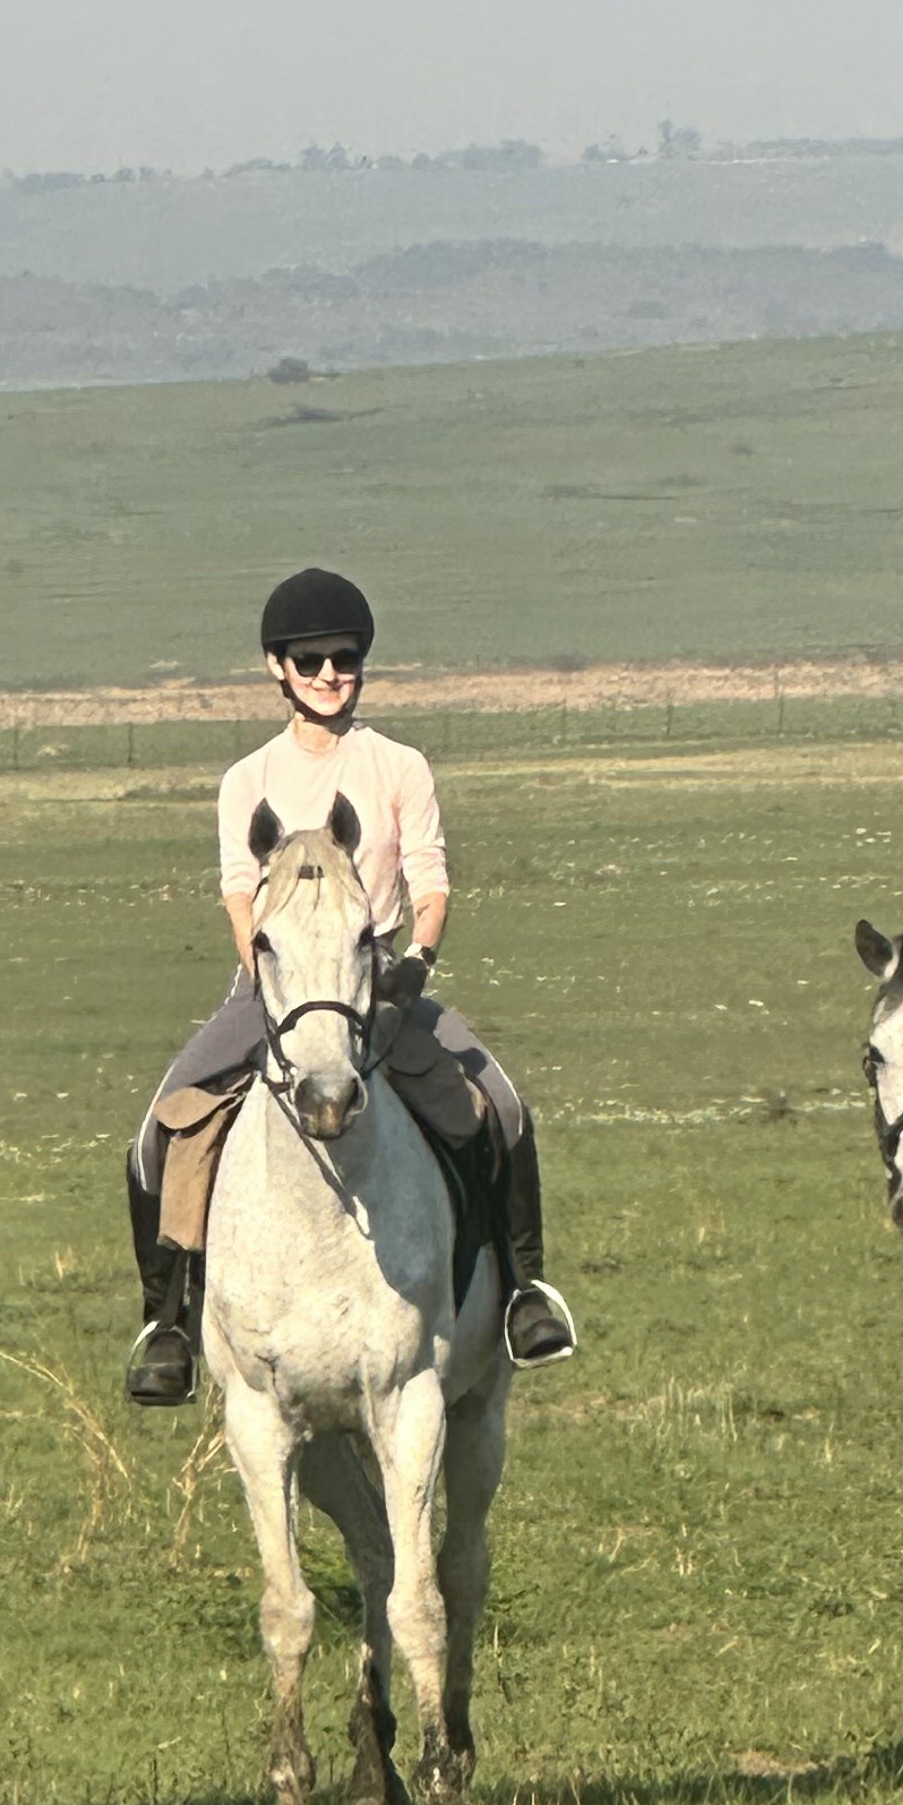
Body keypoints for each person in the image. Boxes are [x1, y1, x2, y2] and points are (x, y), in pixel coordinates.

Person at [122, 567, 575, 1405]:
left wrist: (416, 966)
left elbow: (430, 882)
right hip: (276, 989)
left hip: (382, 983)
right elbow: (237, 892)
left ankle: (522, 1292)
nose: (330, 674)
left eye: (345, 659)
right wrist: (269, 983)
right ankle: (170, 1324)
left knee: (502, 1108)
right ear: (276, 668)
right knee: (159, 1128)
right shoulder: (245, 781)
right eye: (311, 660)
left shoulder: (398, 765)